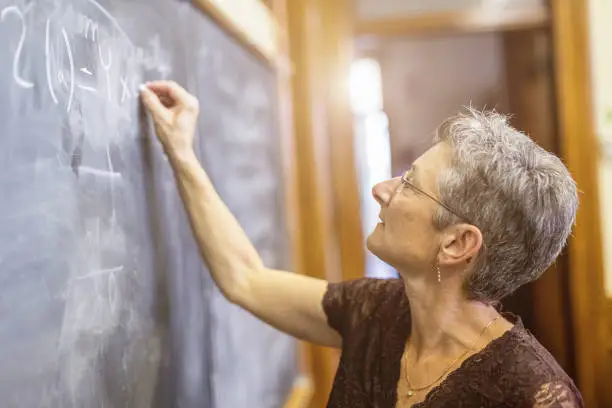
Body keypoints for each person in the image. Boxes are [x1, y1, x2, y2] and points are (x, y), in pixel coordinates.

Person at [139, 81, 583, 408]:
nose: (381, 189)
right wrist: (181, 152)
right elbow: (245, 278)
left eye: (409, 183)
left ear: (457, 243)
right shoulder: (376, 312)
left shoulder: (532, 394)